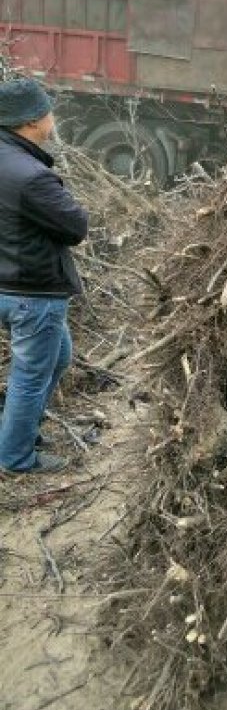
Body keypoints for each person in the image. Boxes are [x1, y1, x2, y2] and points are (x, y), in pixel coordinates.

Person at [0, 79, 88, 474]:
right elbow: (76, 227)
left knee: (59, 356)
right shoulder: (31, 176)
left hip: (8, 285)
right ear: (32, 121)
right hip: (31, 292)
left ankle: (20, 432)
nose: (53, 118)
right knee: (31, 376)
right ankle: (15, 457)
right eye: (49, 112)